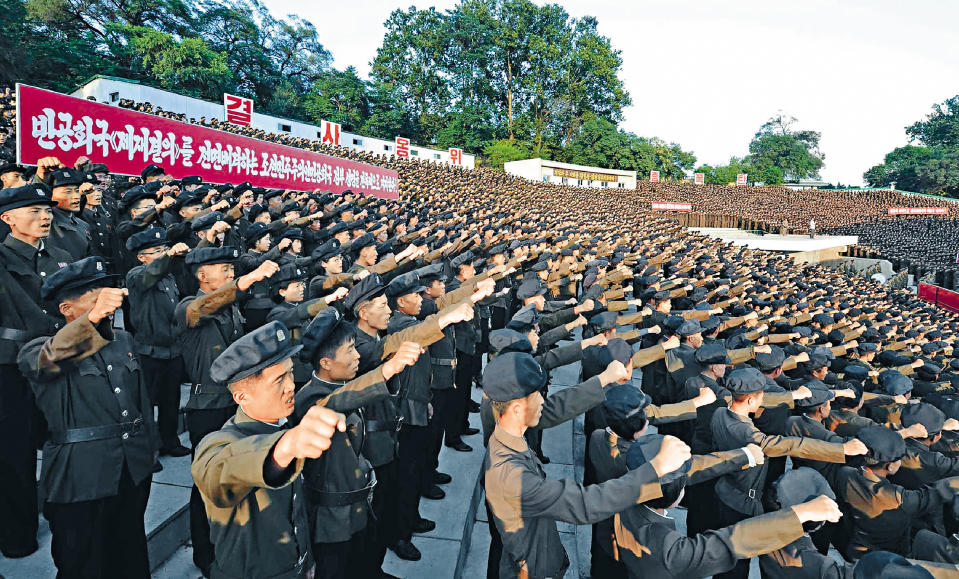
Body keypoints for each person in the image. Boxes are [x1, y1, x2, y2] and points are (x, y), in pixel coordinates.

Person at [483, 350, 692, 579]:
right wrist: (654, 470)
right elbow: (584, 504)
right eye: (538, 396)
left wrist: (604, 379)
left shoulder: (506, 428)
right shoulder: (511, 475)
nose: (544, 400)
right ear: (516, 409)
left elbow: (557, 406)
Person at [18, 257, 157, 578]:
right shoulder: (37, 348)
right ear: (66, 308)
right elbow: (46, 360)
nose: (104, 298)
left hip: (130, 467)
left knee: (130, 553)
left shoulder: (122, 340)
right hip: (81, 475)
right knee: (84, 560)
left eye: (104, 290)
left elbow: (142, 403)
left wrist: (147, 454)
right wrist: (92, 319)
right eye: (92, 295)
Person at [193, 321, 344, 579]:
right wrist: (281, 449)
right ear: (242, 397)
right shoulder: (218, 443)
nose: (291, 385)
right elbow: (219, 470)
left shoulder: (284, 423)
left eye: (290, 373)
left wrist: (305, 561)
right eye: (278, 380)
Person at [176, 246, 279, 575]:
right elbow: (200, 309)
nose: (230, 270)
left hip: (233, 403)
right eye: (222, 266)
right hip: (207, 406)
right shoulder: (188, 306)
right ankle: (205, 552)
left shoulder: (231, 306)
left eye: (231, 267)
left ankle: (231, 542)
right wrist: (245, 282)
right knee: (206, 481)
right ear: (202, 275)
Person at [0, 183, 70, 559]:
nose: (45, 217)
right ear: (7, 218)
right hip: (12, 369)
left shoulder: (59, 255)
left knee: (62, 438)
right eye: (33, 211)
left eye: (47, 210)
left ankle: (61, 511)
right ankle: (17, 532)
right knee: (15, 452)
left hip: (60, 361)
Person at [125, 227, 192, 457]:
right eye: (157, 251)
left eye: (164, 249)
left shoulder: (169, 276)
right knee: (145, 405)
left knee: (170, 401)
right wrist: (169, 256)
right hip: (149, 351)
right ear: (142, 257)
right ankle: (147, 449)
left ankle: (169, 441)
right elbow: (149, 275)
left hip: (172, 349)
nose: (164, 253)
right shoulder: (136, 275)